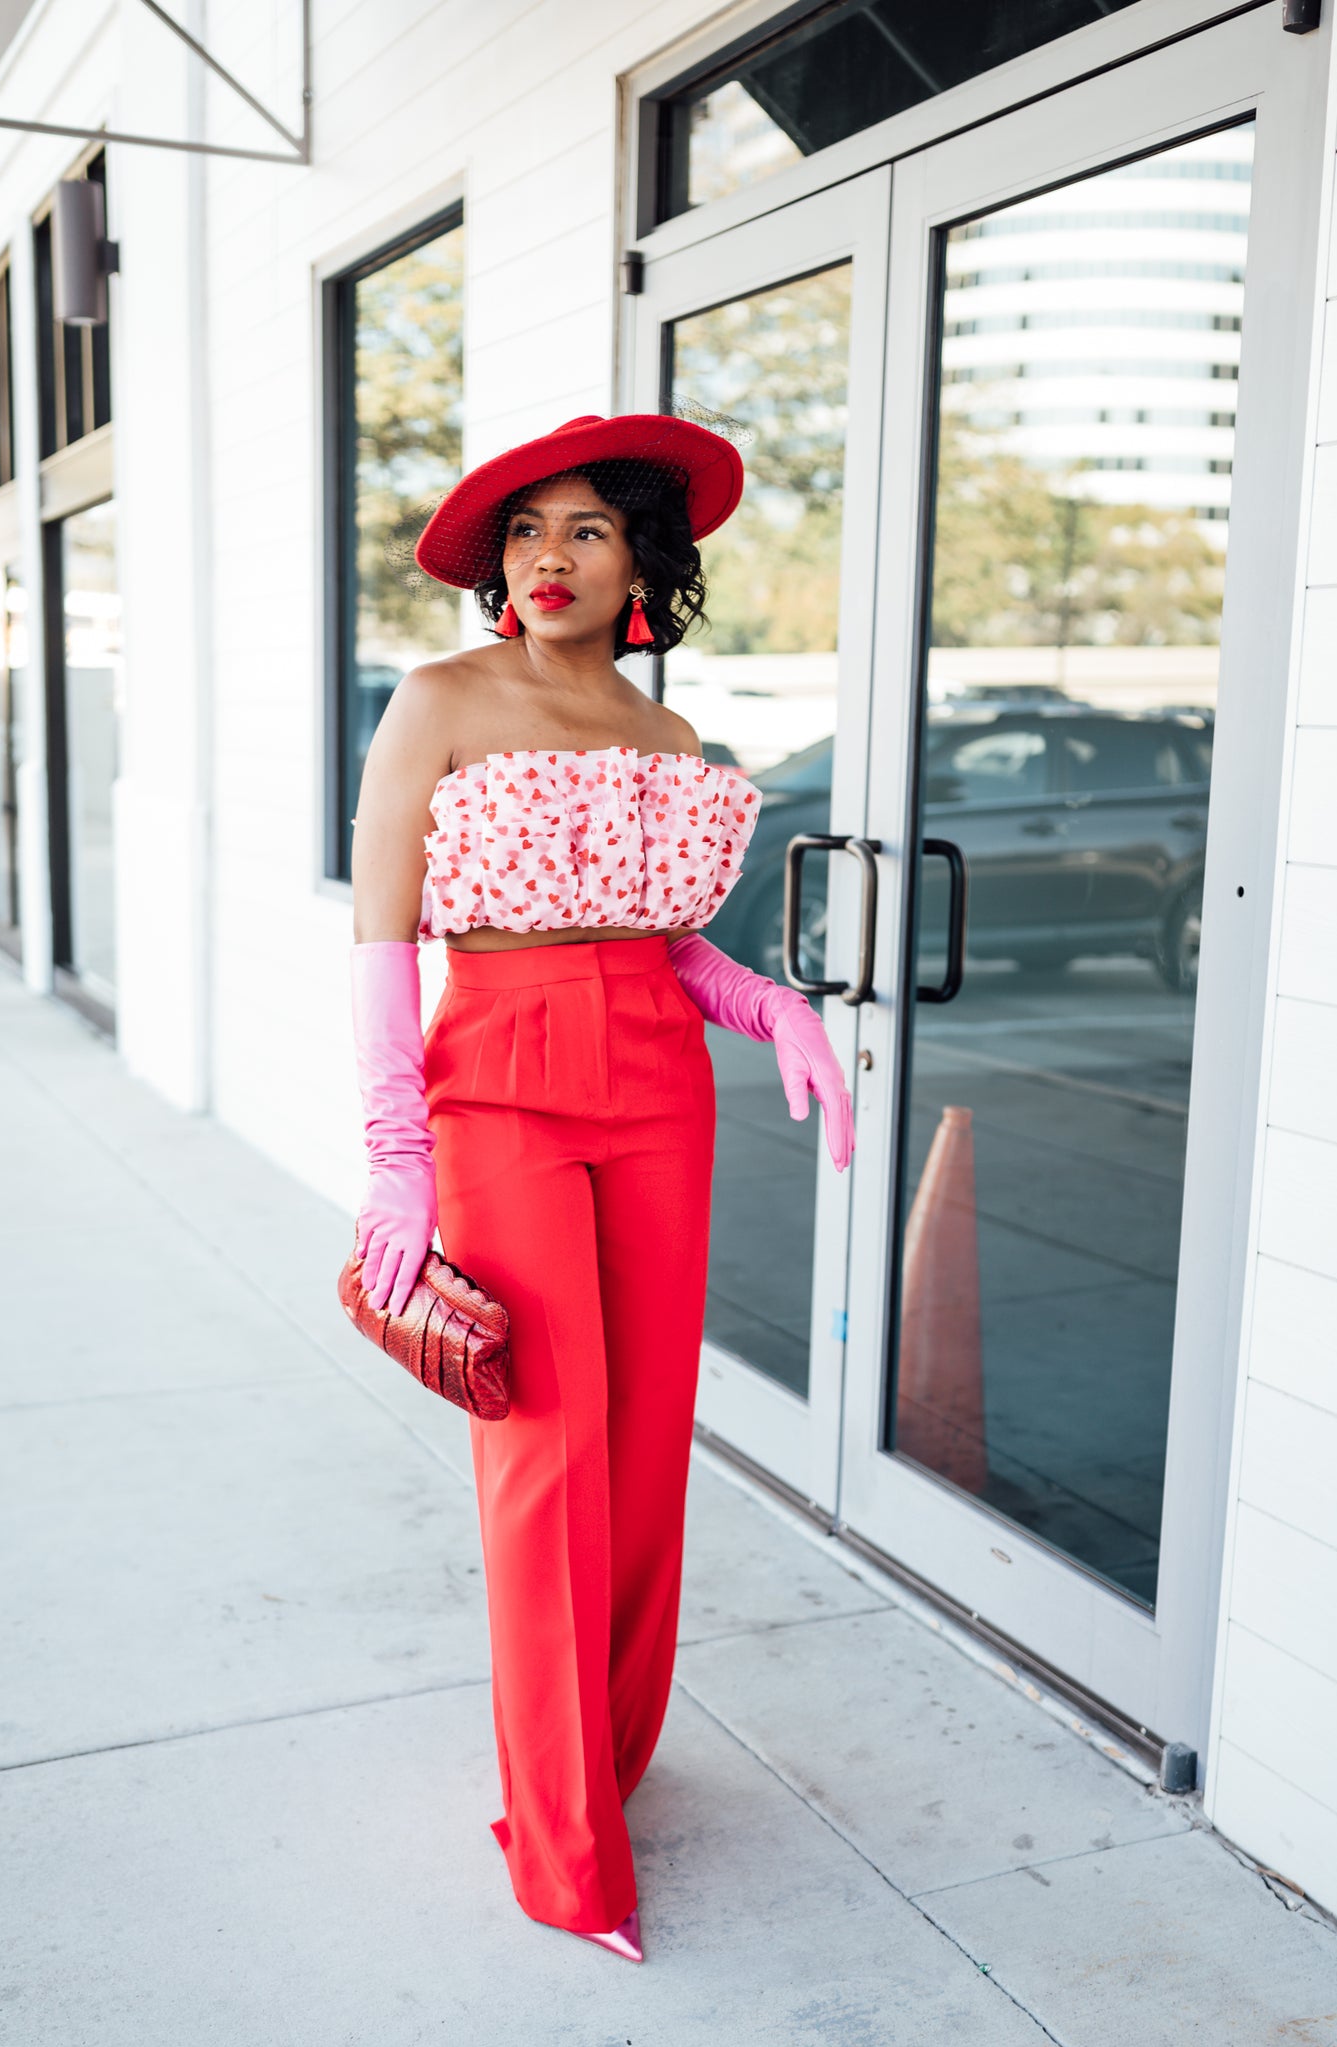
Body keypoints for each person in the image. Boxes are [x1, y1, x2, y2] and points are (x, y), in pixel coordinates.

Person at [348, 413, 853, 1963]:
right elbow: (384, 934)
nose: (546, 558)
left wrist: (771, 1005)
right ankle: (564, 1855)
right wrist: (394, 1156)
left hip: (656, 1100)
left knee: (642, 1453)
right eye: (523, 533)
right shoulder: (437, 699)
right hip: (497, 1095)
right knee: (546, 1461)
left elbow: (662, 944)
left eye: (581, 529)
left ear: (642, 557)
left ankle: (610, 1766)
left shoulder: (664, 738)